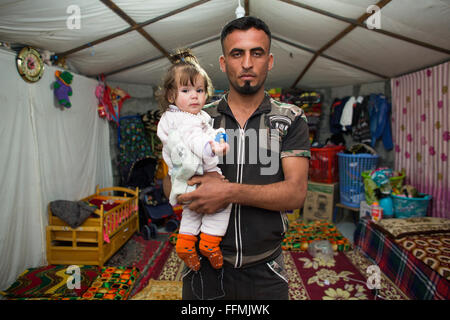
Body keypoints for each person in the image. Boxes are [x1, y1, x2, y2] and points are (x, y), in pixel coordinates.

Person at [165, 16, 310, 300]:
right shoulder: (195, 118)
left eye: (256, 53)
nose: (246, 63)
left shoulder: (290, 118)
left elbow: (295, 195)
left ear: (269, 61)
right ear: (222, 63)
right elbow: (170, 189)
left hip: (266, 269)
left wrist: (227, 191)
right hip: (203, 270)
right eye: (237, 53)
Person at [156, 49, 232, 272]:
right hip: (197, 175)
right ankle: (209, 243)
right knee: (222, 205)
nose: (194, 96)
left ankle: (186, 244)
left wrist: (213, 135)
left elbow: (201, 132)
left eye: (199, 90)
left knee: (192, 212)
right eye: (186, 90)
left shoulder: (176, 117)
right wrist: (213, 148)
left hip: (184, 180)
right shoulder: (185, 120)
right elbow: (195, 139)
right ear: (171, 96)